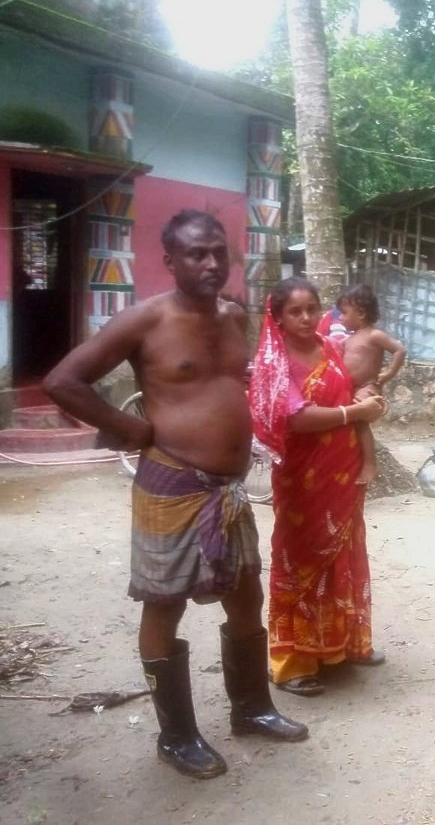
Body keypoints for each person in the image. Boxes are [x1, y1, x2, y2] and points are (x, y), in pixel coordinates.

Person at [43, 209, 307, 780]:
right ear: (170, 261)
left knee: (245, 595)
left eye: (219, 251)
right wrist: (135, 429)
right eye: (196, 254)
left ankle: (252, 709)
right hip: (172, 484)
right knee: (166, 604)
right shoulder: (145, 321)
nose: (211, 263)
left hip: (228, 491)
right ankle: (177, 737)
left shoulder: (237, 316)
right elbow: (63, 381)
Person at [249, 277, 387, 697]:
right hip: (303, 476)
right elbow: (297, 417)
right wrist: (354, 411)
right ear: (277, 316)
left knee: (344, 553)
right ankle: (292, 662)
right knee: (302, 555)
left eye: (312, 308)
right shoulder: (273, 361)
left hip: (343, 470)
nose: (307, 317)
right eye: (296, 311)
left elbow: (349, 387)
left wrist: (366, 395)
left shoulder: (331, 347)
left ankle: (342, 645)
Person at [336, 284, 407, 484]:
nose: (340, 318)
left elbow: (399, 350)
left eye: (343, 313)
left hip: (368, 386)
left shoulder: (374, 335)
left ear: (360, 313)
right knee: (344, 420)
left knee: (360, 420)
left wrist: (388, 374)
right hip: (350, 388)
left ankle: (370, 464)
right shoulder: (348, 340)